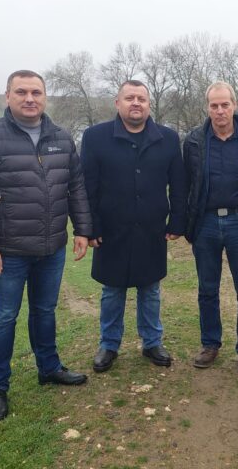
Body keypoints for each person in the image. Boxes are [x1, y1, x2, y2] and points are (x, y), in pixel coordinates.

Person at [0, 69, 92, 421]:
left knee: (45, 311)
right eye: (21, 92)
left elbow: (75, 186)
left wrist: (82, 229)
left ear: (45, 97)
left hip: (51, 248)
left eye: (36, 92)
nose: (29, 98)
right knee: (4, 317)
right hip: (8, 252)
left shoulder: (61, 138)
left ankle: (49, 368)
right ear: (8, 96)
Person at [80, 80, 186, 373]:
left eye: (141, 98)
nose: (136, 103)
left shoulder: (167, 138)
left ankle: (152, 342)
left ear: (149, 104)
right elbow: (87, 186)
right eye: (129, 98)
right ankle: (109, 344)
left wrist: (178, 220)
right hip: (111, 229)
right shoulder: (95, 137)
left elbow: (178, 185)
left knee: (150, 288)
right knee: (112, 290)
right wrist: (91, 227)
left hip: (152, 228)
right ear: (118, 103)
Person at [183, 81, 238, 377]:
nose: (220, 110)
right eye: (214, 105)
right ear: (207, 108)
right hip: (206, 223)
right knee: (207, 289)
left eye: (225, 104)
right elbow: (188, 181)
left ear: (234, 104)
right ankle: (210, 344)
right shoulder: (194, 140)